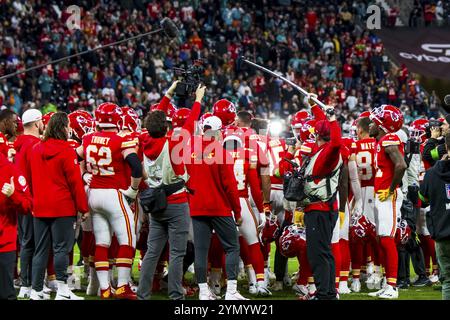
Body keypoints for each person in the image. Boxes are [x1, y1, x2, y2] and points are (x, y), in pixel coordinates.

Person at [137, 81, 203, 300]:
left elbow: (154, 116)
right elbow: (191, 122)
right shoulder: (172, 143)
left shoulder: (144, 139)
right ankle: (176, 295)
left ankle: (143, 294)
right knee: (177, 253)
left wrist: (169, 93)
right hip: (176, 202)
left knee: (152, 252)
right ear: (165, 127)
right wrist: (198, 101)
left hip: (155, 204)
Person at [77, 102, 143, 300]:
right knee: (128, 239)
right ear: (117, 119)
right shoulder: (121, 140)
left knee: (102, 242)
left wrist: (82, 176)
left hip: (94, 195)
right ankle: (122, 286)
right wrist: (132, 189)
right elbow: (136, 166)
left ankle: (105, 288)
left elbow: (73, 157)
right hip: (113, 194)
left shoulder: (88, 139)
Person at [185, 114, 247, 300]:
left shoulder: (190, 150)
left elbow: (185, 179)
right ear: (218, 131)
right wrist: (237, 211)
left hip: (197, 207)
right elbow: (230, 186)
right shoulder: (221, 152)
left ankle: (204, 292)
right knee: (232, 247)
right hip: (218, 206)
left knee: (201, 250)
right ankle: (232, 292)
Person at [29, 112, 89, 300]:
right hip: (62, 208)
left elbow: (31, 180)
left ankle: (36, 290)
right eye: (68, 125)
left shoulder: (36, 149)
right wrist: (83, 208)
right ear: (63, 128)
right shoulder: (66, 150)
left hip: (40, 207)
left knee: (40, 250)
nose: (70, 128)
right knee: (61, 249)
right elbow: (75, 183)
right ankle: (63, 290)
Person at [299, 101, 343, 300]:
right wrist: (315, 107)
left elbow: (335, 142)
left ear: (316, 135)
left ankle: (324, 294)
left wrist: (333, 120)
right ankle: (328, 292)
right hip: (321, 208)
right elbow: (324, 128)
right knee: (323, 251)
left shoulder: (328, 153)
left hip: (320, 209)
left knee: (318, 253)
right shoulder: (323, 150)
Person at [367, 105, 407, 299]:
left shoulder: (389, 139)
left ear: (382, 124)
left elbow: (401, 165)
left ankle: (392, 286)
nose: (370, 124)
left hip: (388, 195)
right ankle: (387, 283)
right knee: (381, 239)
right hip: (381, 195)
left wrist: (391, 190)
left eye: (374, 121)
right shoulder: (382, 139)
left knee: (387, 239)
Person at [14, 109, 44, 299]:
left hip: (18, 196)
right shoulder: (34, 145)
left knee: (26, 242)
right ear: (36, 123)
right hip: (31, 198)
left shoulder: (18, 144)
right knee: (33, 243)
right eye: (41, 121)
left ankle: (26, 284)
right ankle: (30, 284)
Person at [0, 138, 32, 300]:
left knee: (6, 294)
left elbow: (27, 206)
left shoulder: (10, 170)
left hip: (3, 245)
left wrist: (13, 196)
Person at [419, 131, 450, 300]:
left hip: (443, 232)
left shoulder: (431, 174)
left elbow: (422, 200)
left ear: (445, 147)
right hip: (442, 231)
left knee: (448, 282)